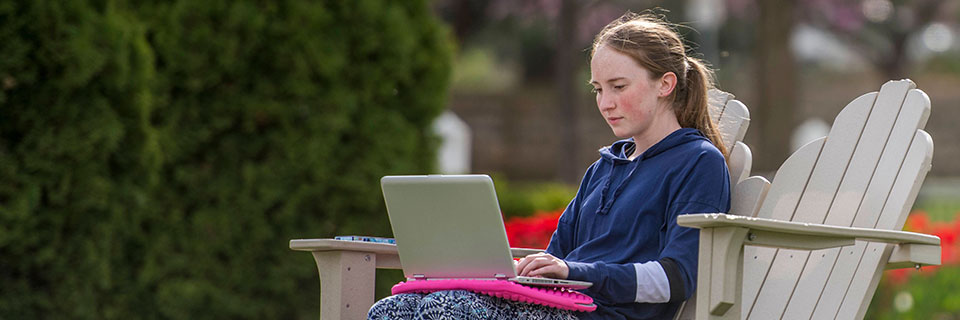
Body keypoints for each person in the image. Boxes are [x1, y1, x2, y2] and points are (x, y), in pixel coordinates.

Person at [368, 12, 730, 320]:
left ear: (664, 84)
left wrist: (575, 272)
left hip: (603, 313)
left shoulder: (698, 162)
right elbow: (558, 256)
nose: (606, 103)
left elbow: (677, 277)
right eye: (598, 89)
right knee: (392, 309)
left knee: (446, 309)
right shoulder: (605, 167)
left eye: (619, 86)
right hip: (558, 306)